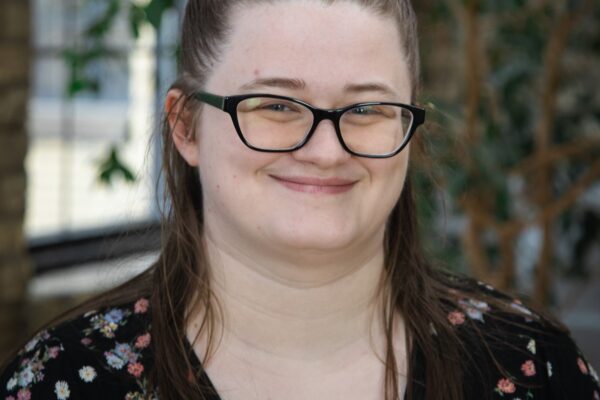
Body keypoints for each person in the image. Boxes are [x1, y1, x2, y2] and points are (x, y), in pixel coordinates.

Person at [1, 0, 599, 399]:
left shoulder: (530, 368)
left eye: (365, 109)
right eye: (276, 105)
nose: (324, 150)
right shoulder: (62, 380)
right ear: (186, 126)